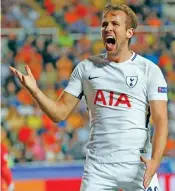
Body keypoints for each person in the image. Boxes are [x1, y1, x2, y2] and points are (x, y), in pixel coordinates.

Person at [10, 3, 168, 191]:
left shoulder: (149, 70)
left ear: (129, 32)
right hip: (98, 169)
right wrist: (35, 91)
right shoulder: (86, 68)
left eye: (115, 24)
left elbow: (160, 120)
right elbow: (59, 113)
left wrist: (155, 161)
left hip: (138, 166)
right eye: (104, 24)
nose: (108, 28)